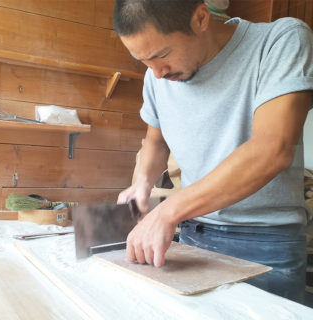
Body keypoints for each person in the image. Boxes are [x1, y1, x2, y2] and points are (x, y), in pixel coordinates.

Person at [114, 0, 313, 304]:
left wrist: (169, 211)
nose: (156, 73)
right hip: (194, 236)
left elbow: (272, 149)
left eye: (161, 55)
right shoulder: (157, 77)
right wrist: (142, 182)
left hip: (265, 243)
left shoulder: (280, 41)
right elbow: (155, 141)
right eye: (143, 60)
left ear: (201, 18)